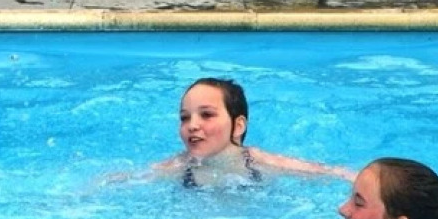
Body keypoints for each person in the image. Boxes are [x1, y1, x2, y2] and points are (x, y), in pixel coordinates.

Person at [147, 78, 355, 187]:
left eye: (207, 115)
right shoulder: (178, 167)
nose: (192, 125)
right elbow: (134, 179)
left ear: (238, 126)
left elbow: (323, 172)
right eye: (184, 117)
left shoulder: (257, 160)